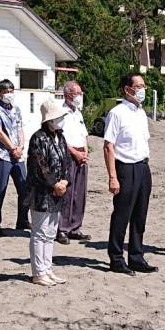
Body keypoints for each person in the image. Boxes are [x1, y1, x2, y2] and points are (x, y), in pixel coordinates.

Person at [102, 73, 157, 276]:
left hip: (142, 167)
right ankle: (116, 258)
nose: (142, 90)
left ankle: (136, 256)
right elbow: (108, 146)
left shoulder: (141, 112)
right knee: (122, 215)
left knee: (139, 216)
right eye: (139, 86)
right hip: (125, 167)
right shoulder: (117, 113)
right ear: (127, 89)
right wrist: (113, 176)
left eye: (143, 85)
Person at [26, 99, 71, 286]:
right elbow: (39, 166)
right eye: (57, 117)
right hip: (41, 192)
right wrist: (54, 184)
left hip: (58, 191)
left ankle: (47, 268)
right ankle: (38, 272)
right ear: (48, 120)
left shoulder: (60, 137)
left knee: (51, 232)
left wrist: (65, 181)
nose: (60, 120)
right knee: (40, 232)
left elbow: (66, 161)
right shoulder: (38, 138)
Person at [0, 79, 29, 236]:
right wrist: (11, 148)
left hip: (18, 156)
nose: (9, 94)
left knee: (24, 188)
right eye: (6, 92)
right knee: (1, 189)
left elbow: (19, 128)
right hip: (3, 155)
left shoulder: (16, 109)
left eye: (11, 91)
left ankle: (22, 220)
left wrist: (20, 147)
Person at [57, 81, 91, 244]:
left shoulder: (78, 113)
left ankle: (75, 227)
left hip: (81, 155)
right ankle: (62, 229)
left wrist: (85, 151)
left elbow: (84, 134)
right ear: (68, 94)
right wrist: (75, 153)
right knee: (67, 193)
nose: (80, 96)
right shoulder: (60, 112)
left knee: (80, 193)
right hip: (68, 155)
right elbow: (60, 139)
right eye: (77, 93)